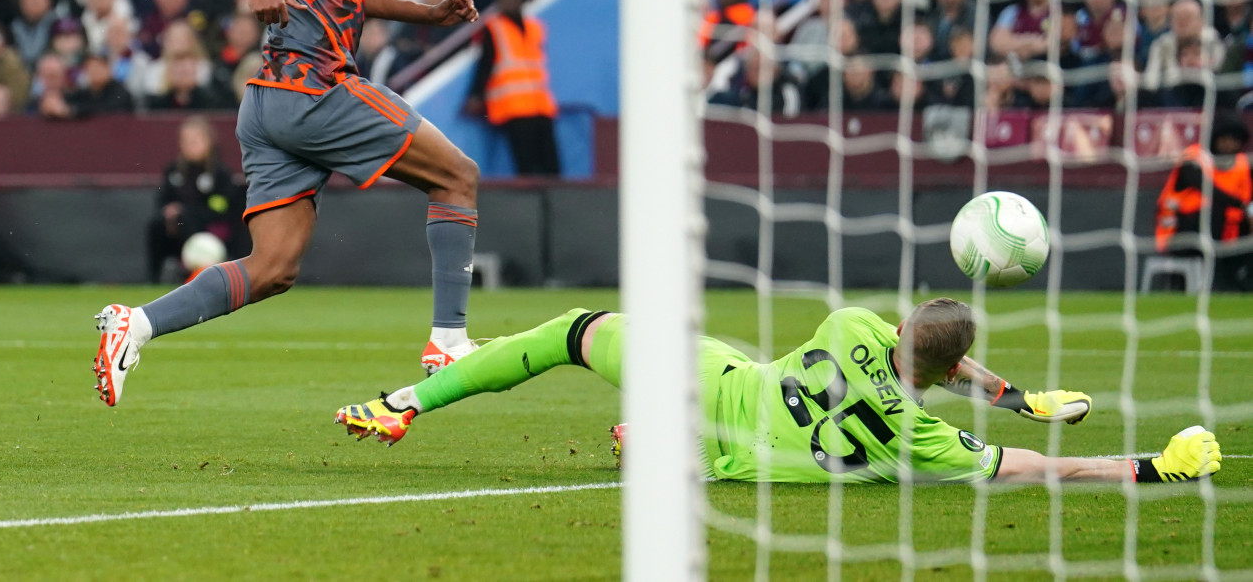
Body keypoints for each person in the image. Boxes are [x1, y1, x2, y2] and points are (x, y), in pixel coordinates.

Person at [93, 0, 483, 407]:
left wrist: (425, 13)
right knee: (458, 177)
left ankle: (135, 325)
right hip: (316, 88)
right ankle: (450, 341)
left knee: (272, 268)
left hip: (270, 106)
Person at [333, 298, 1221, 486]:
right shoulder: (920, 438)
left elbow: (935, 355)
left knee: (574, 331)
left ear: (903, 330)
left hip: (716, 382)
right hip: (740, 462)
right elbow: (1036, 470)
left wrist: (1008, 390)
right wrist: (1145, 466)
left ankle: (410, 399)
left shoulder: (848, 325)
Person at [466, 0, 560, 176]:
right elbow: (485, 64)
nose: (512, 2)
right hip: (514, 108)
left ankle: (556, 205)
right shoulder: (493, 28)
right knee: (525, 165)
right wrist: (475, 94)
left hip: (541, 106)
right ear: (499, 1)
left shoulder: (534, 27)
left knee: (552, 165)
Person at [1156, 113, 1253, 290]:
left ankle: (1241, 280)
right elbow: (1207, 188)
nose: (1229, 145)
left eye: (1235, 140)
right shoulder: (1194, 157)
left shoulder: (1242, 165)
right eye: (1225, 139)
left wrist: (1250, 211)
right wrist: (1243, 206)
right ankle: (1218, 280)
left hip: (1229, 233)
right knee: (1213, 211)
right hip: (1179, 231)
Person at [146, 117, 245, 284]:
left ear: (209, 142)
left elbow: (221, 207)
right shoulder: (174, 170)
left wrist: (185, 210)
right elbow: (162, 199)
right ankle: (154, 278)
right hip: (176, 225)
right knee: (156, 225)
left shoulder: (219, 173)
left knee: (186, 219)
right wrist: (167, 210)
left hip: (209, 229)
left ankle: (193, 273)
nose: (190, 145)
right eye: (185, 141)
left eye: (195, 140)